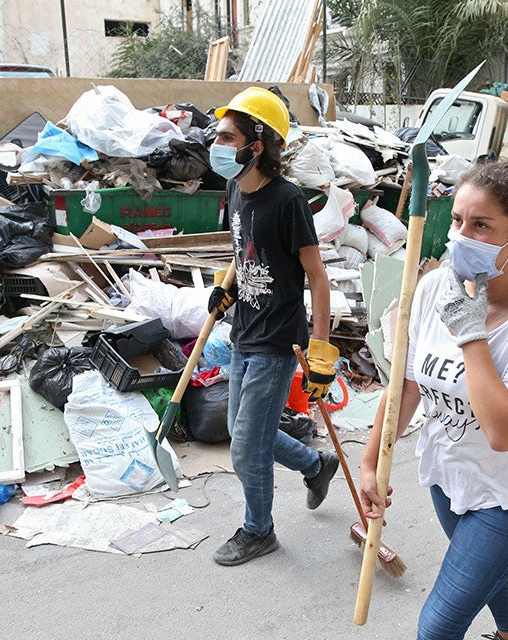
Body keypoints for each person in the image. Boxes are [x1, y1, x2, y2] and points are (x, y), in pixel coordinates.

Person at [359, 150, 508, 640]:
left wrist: (471, 333)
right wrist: (370, 462)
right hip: (448, 474)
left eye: (482, 225)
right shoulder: (435, 286)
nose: (461, 236)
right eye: (457, 220)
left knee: (437, 627)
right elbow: (407, 385)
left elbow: (503, 433)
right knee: (487, 575)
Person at [207, 87, 340, 566]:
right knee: (245, 431)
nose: (216, 143)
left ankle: (258, 531)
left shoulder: (288, 201)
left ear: (256, 144)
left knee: (246, 446)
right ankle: (315, 463)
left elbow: (317, 276)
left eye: (226, 136)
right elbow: (241, 254)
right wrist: (225, 288)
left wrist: (321, 351)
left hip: (278, 341)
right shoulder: (234, 187)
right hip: (243, 331)